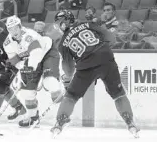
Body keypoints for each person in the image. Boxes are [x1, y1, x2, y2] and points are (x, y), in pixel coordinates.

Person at [50, 10, 140, 138]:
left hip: (85, 67)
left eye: (59, 22)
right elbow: (111, 38)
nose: (59, 25)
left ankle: (58, 124)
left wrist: (68, 77)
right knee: (118, 94)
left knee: (70, 96)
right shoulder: (89, 24)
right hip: (106, 59)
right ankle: (131, 124)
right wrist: (100, 52)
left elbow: (69, 71)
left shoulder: (62, 43)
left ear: (64, 22)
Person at [3, 15, 65, 127]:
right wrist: (22, 66)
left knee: (50, 82)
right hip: (30, 60)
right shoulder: (7, 43)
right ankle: (33, 117)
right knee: (27, 93)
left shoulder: (29, 36)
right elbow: (14, 59)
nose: (13, 31)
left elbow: (36, 52)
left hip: (47, 53)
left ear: (20, 26)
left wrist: (29, 66)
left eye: (15, 27)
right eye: (10, 29)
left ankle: (64, 114)